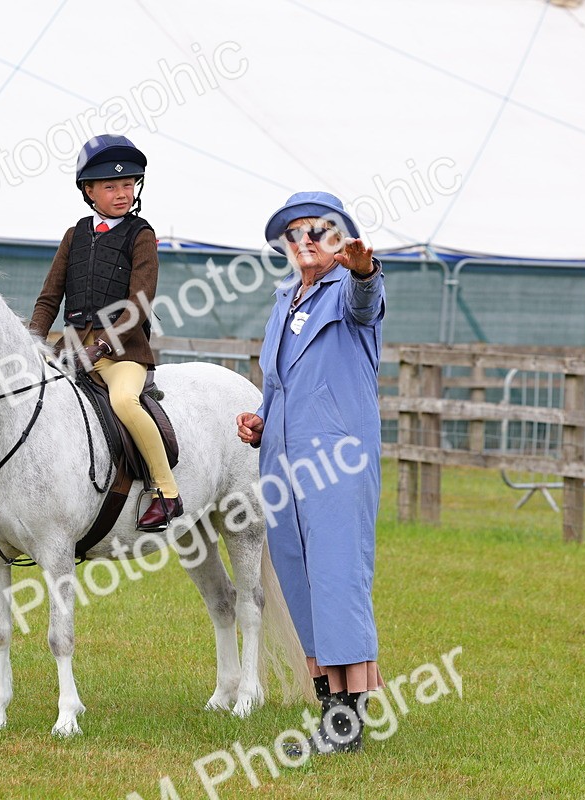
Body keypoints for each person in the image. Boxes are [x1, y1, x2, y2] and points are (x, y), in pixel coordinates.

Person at [234, 191, 385, 755]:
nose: (306, 242)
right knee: (297, 577)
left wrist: (364, 269)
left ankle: (350, 717)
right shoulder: (283, 302)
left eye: (319, 231)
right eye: (295, 234)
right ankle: (327, 702)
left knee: (337, 575)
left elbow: (368, 297)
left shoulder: (350, 291)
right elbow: (277, 383)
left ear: (342, 238)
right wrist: (260, 422)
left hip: (338, 461)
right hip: (282, 459)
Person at [28, 134, 181, 531]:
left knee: (125, 403)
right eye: (111, 186)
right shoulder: (74, 235)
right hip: (71, 349)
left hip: (123, 354)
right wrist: (32, 343)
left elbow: (139, 304)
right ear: (89, 190)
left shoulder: (141, 235)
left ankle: (166, 492)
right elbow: (49, 299)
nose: (122, 193)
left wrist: (101, 346)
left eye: (128, 185)